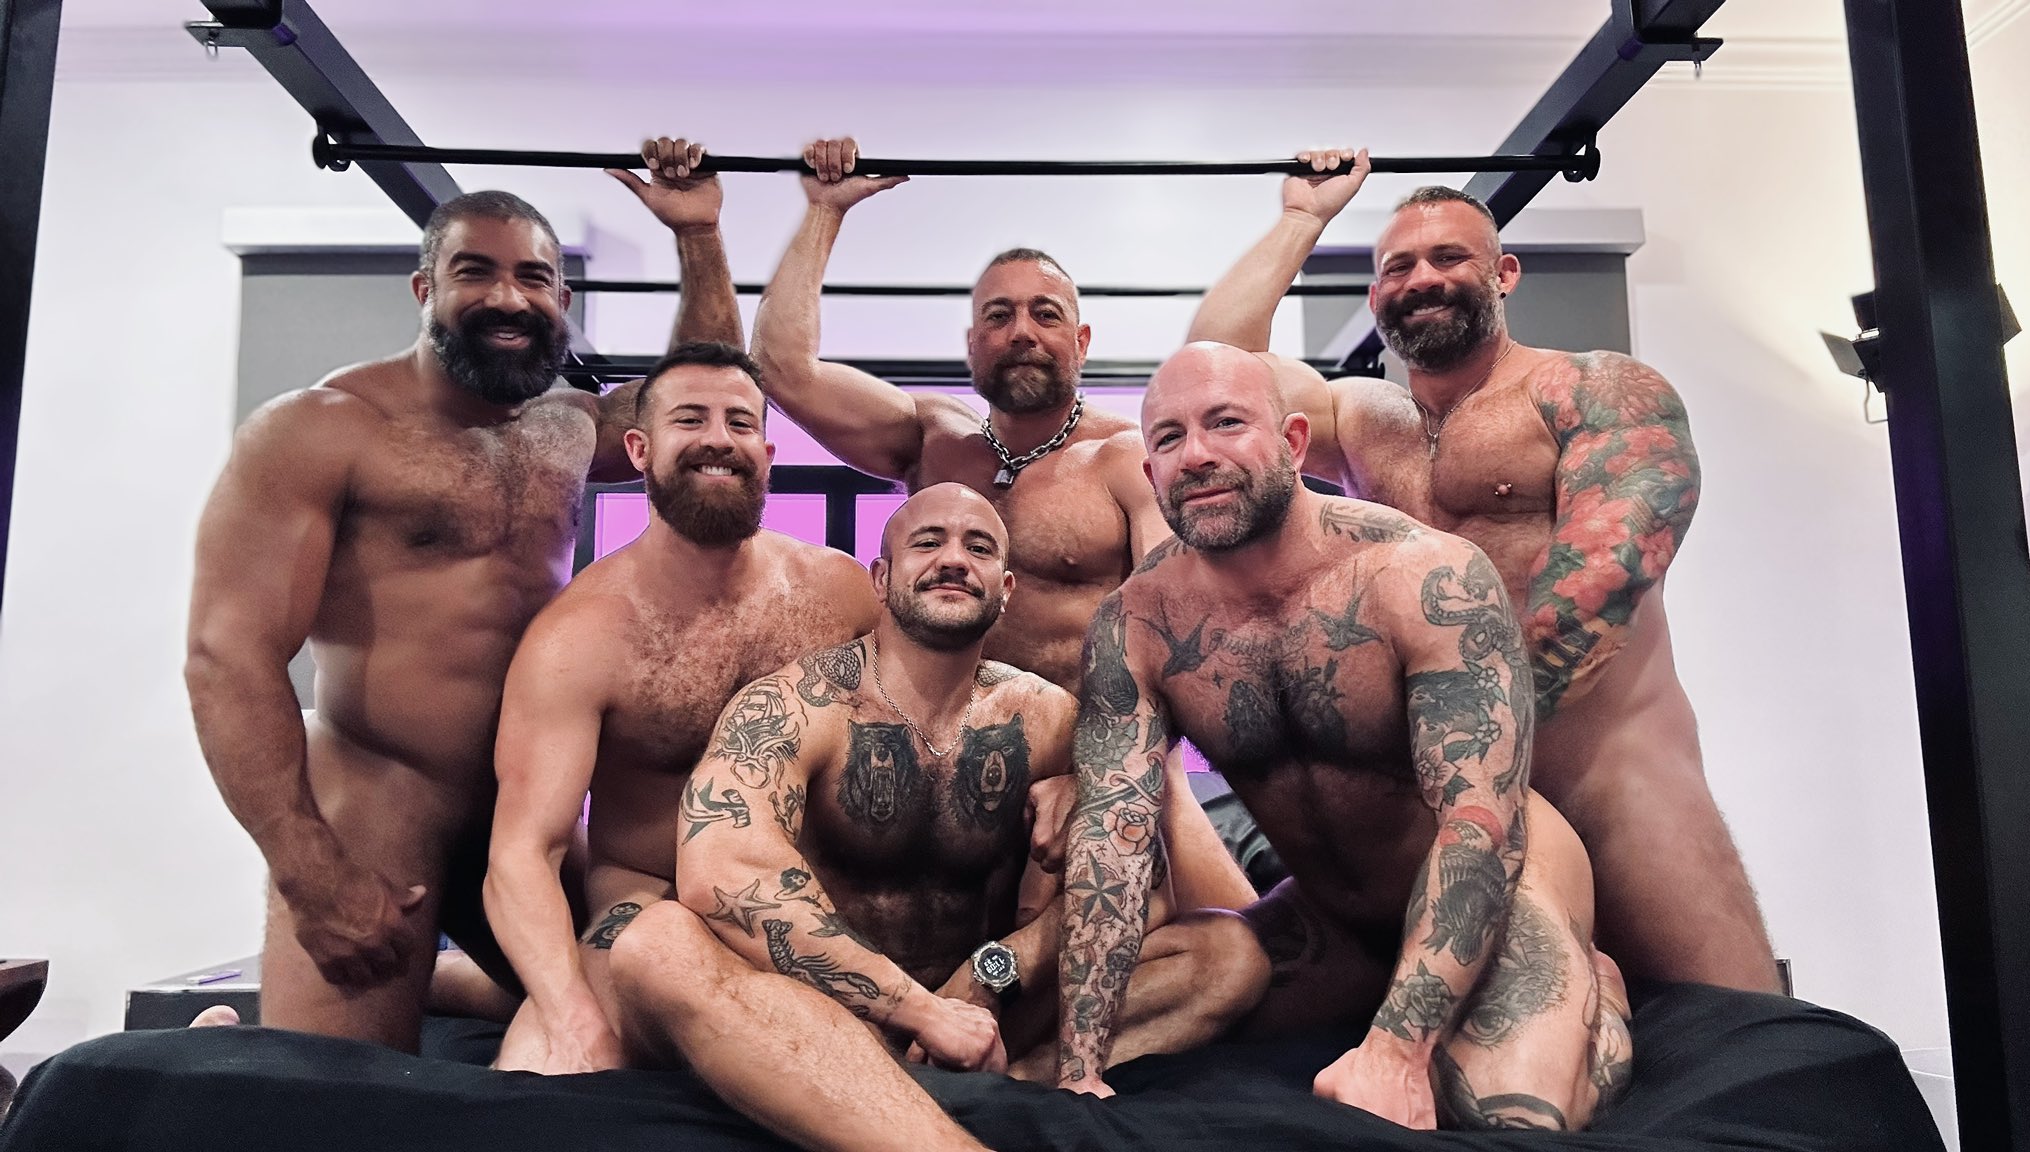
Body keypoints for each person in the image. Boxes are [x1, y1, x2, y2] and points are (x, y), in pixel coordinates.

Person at [184, 138, 740, 1051]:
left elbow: (700, 390)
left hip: (517, 805)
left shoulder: (564, 429)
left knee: (654, 1013)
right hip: (377, 794)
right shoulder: (322, 430)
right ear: (424, 289)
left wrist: (698, 236)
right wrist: (305, 868)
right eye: (475, 272)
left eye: (533, 277)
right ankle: (235, 1032)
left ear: (561, 300)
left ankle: (442, 984)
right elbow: (227, 657)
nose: (508, 297)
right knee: (336, 1092)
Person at [1183, 149, 1777, 993]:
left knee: (1735, 1024)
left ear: (1504, 274)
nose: (1423, 278)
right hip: (1452, 803)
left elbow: (1600, 587)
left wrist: (1454, 751)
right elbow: (1214, 369)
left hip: (1607, 779)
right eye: (1399, 267)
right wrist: (1302, 219)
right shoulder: (1362, 421)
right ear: (1375, 297)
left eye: (1449, 257)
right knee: (1503, 1038)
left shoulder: (1593, 389)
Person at [1056, 343, 1632, 1131]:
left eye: (1226, 423)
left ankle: (1596, 992)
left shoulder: (1421, 575)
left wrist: (1394, 1052)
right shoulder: (1137, 623)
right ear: (1151, 473)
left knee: (1503, 1111)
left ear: (1293, 442)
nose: (1197, 455)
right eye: (1169, 438)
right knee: (1158, 1000)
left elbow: (1481, 825)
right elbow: (1111, 842)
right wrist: (1080, 1071)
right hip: (1335, 918)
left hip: (1496, 882)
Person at [606, 485, 1268, 1152]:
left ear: (1005, 589)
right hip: (823, 1017)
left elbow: (1142, 888)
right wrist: (918, 1010)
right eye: (928, 543)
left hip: (987, 1023)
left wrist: (993, 974)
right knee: (655, 943)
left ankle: (958, 1096)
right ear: (881, 577)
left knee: (1227, 954)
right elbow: (724, 874)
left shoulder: (1045, 717)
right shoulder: (797, 705)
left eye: (978, 548)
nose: (954, 559)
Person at [750, 136, 1256, 919]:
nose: (1022, 331)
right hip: (949, 775)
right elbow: (782, 368)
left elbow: (1181, 630)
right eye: (999, 315)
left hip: (1094, 765)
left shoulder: (1128, 463)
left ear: (1080, 343)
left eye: (1045, 314)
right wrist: (824, 211)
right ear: (971, 344)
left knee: (1231, 950)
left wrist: (1106, 772)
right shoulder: (933, 441)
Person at [483, 341, 880, 1074]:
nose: (718, 440)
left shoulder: (842, 593)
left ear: (767, 453)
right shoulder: (581, 636)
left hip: (814, 905)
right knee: (545, 1074)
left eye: (739, 423)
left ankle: (467, 986)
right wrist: (571, 1016)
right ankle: (497, 996)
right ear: (640, 448)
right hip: (651, 903)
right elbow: (522, 855)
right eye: (690, 419)